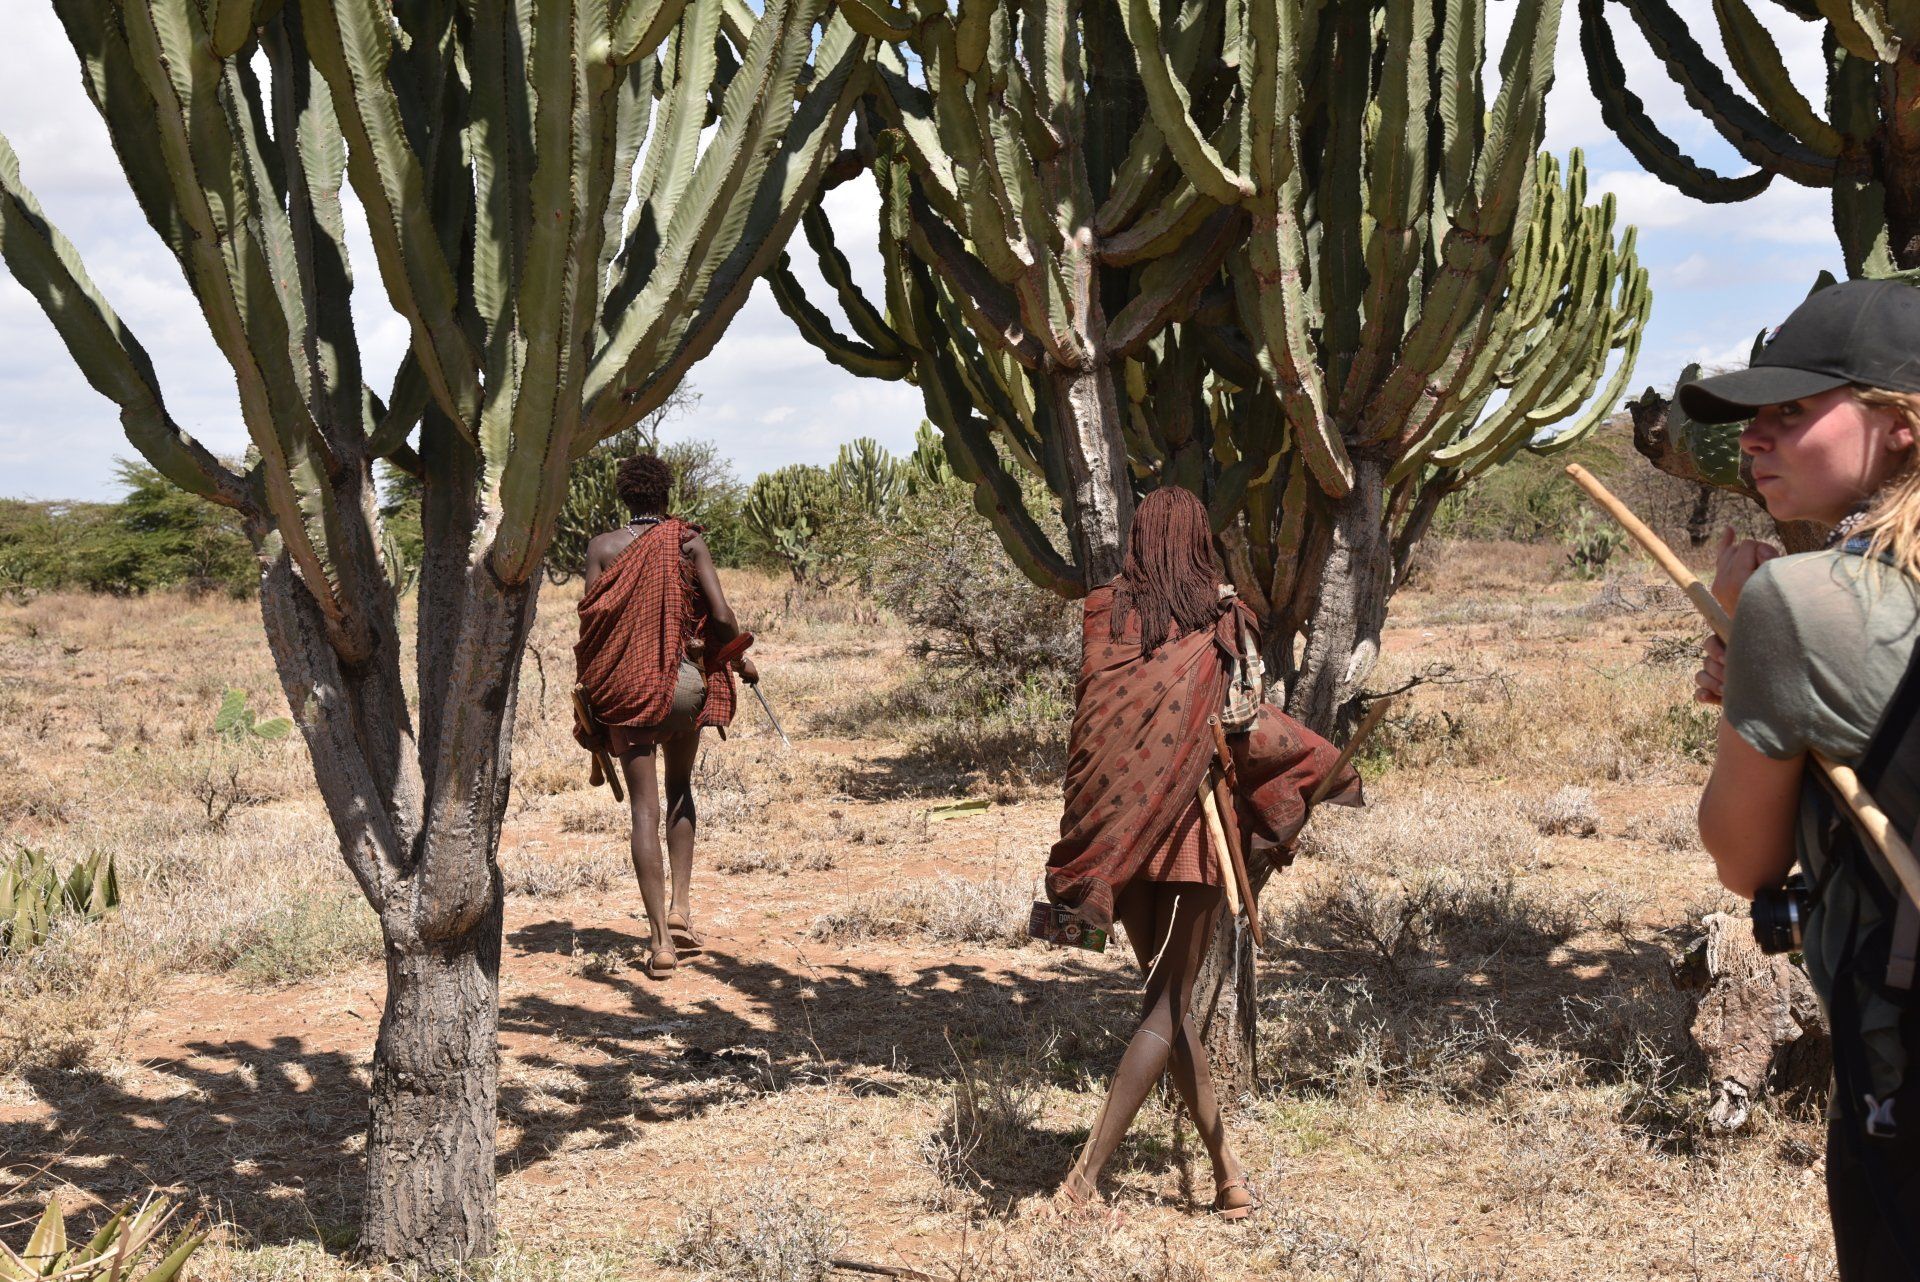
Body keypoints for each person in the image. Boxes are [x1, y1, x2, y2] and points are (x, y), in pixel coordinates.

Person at [1684, 278, 1920, 1281]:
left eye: (1794, 410)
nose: (1755, 439)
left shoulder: (1801, 597)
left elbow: (1746, 857)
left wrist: (1744, 638)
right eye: (1752, 418)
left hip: (1898, 1078)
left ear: (1902, 426)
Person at [1043, 486, 1358, 1220]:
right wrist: (1304, 768)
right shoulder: (1224, 617)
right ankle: (1084, 1183)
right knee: (1168, 1003)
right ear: (1197, 540)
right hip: (1191, 833)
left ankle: (1227, 1175)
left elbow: (1097, 726)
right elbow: (1246, 720)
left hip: (1120, 836)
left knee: (1167, 1002)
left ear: (1138, 538)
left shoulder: (1103, 612)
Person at [574, 453, 758, 979]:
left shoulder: (602, 548)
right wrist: (738, 656)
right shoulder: (685, 540)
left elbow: (592, 623)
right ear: (665, 493)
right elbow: (721, 617)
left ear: (624, 496)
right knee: (680, 790)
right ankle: (680, 910)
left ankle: (659, 944)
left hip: (623, 693)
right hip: (681, 689)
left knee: (643, 812)